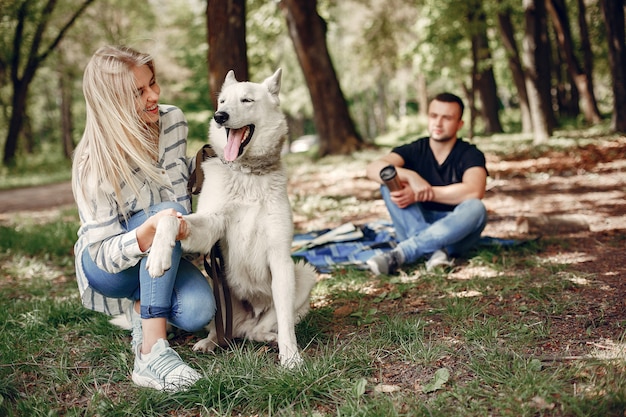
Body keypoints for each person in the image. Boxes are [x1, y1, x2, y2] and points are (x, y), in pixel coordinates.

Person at [71, 45, 216, 392]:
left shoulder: (172, 121)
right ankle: (151, 353)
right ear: (113, 103)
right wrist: (146, 234)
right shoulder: (92, 161)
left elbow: (178, 191)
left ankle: (142, 305)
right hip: (109, 269)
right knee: (167, 216)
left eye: (153, 83)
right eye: (139, 92)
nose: (154, 95)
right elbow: (102, 252)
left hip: (162, 252)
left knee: (198, 311)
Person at [365, 92, 488, 275]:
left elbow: (474, 191)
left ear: (459, 124)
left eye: (446, 118)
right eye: (433, 116)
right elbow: (373, 168)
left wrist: (422, 193)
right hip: (414, 221)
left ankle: (404, 252)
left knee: (476, 208)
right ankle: (435, 252)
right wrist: (411, 176)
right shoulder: (415, 149)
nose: (438, 123)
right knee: (389, 182)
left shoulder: (470, 154)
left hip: (454, 229)